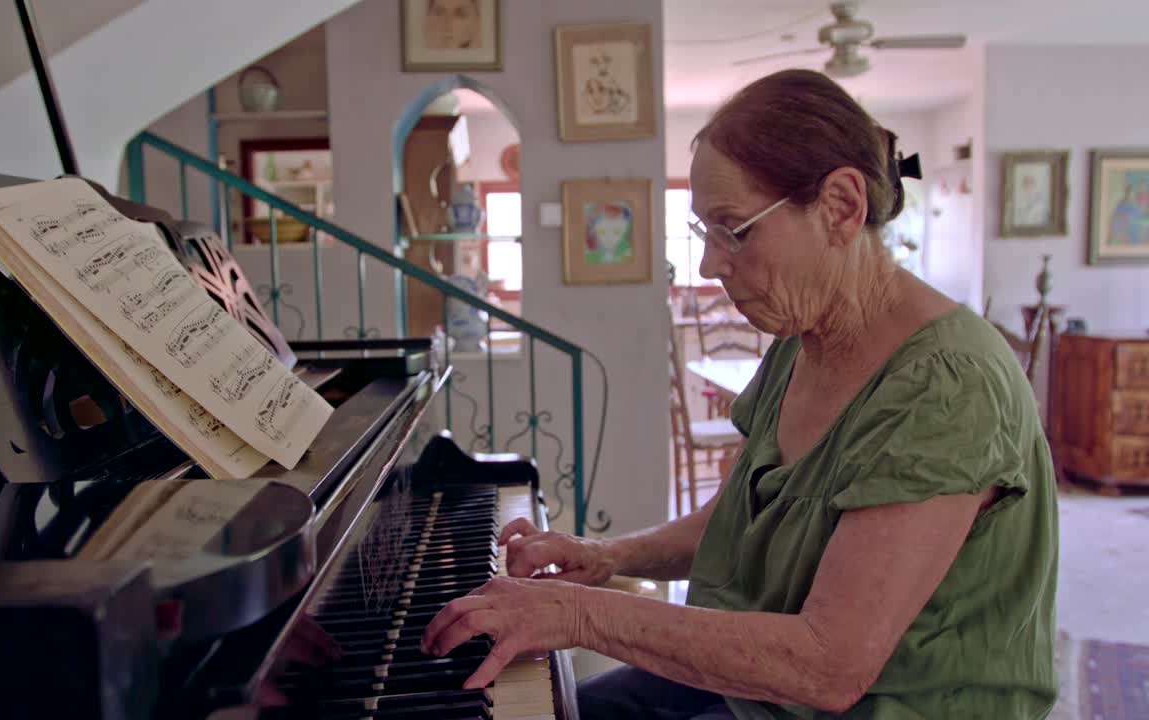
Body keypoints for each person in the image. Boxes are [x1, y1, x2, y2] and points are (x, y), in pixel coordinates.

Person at [421, 69, 1059, 719]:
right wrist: (604, 556)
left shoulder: (948, 386)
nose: (710, 265)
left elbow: (828, 665)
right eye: (706, 232)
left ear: (841, 206)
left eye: (735, 229)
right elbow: (735, 519)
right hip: (768, 684)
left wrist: (578, 614)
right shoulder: (801, 340)